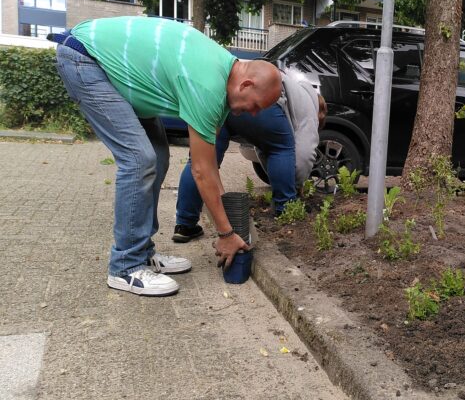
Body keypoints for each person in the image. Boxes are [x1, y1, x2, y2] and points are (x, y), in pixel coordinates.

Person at [52, 16, 282, 296]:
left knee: (158, 159)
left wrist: (232, 228)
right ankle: (125, 266)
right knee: (140, 160)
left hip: (118, 69)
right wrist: (225, 235)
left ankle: (142, 252)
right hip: (86, 59)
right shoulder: (208, 85)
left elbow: (209, 168)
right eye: (256, 106)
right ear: (245, 85)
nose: (255, 114)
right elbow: (200, 171)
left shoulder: (223, 81)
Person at [173, 72, 326, 243]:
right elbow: (304, 155)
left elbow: (262, 148)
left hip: (220, 94)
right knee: (281, 147)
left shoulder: (296, 92)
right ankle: (286, 211)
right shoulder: (311, 108)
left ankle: (185, 225)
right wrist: (296, 183)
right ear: (322, 113)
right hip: (258, 97)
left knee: (201, 161)